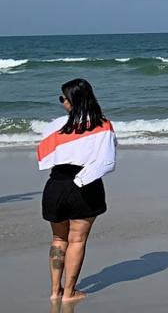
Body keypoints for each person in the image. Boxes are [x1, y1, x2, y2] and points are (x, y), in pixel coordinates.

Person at [37, 78, 117, 303]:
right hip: (85, 185)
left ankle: (55, 291)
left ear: (72, 101)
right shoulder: (102, 124)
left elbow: (42, 155)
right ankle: (69, 293)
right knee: (78, 240)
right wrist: (81, 181)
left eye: (63, 98)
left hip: (55, 185)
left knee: (58, 239)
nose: (61, 101)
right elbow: (107, 161)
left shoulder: (55, 125)